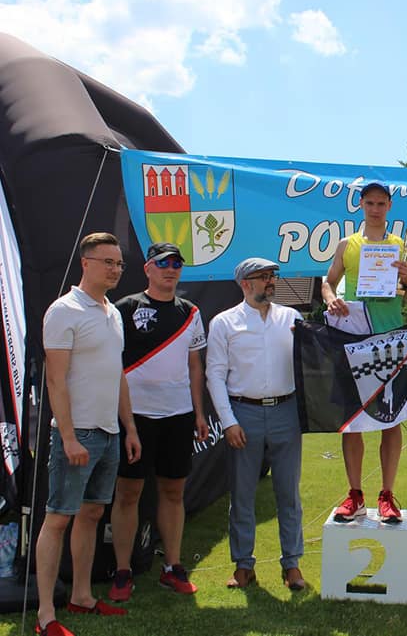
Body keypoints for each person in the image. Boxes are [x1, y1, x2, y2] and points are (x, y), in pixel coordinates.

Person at [37, 232, 142, 636]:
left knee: (92, 514)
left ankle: (81, 596)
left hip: (109, 432)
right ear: (86, 263)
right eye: (108, 262)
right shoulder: (63, 311)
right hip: (77, 434)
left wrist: (128, 428)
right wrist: (68, 437)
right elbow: (55, 379)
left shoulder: (112, 312)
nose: (115, 270)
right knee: (58, 518)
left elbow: (117, 375)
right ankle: (46, 615)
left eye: (119, 264)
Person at [108, 242, 209, 601]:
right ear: (148, 268)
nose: (171, 269)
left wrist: (199, 413)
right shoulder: (124, 308)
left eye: (177, 263)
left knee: (173, 491)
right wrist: (125, 419)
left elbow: (195, 366)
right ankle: (123, 571)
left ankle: (173, 566)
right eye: (163, 263)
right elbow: (112, 364)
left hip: (178, 415)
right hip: (134, 416)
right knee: (128, 492)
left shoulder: (191, 312)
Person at [206, 258, 305, 591]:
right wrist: (228, 421)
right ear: (245, 284)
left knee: (288, 493)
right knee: (242, 493)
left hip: (286, 411)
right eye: (263, 277)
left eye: (272, 276)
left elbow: (310, 360)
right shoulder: (224, 323)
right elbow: (214, 375)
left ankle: (292, 563)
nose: (270, 281)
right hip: (243, 412)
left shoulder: (292, 318)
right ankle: (243, 565)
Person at [322, 181, 407, 524]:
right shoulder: (347, 244)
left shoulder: (401, 247)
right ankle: (355, 495)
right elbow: (327, 282)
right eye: (370, 203)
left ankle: (387, 495)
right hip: (353, 338)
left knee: (390, 418)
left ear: (389, 206)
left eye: (381, 203)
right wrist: (330, 298)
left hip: (390, 338)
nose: (375, 209)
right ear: (361, 205)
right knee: (353, 422)